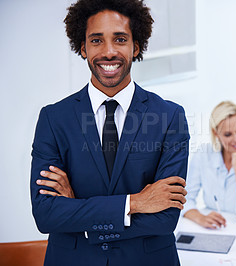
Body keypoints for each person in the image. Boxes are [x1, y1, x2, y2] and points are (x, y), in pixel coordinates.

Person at [30, 1, 189, 265]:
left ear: (135, 46)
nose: (109, 52)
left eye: (120, 39)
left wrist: (76, 210)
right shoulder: (53, 118)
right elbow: (46, 214)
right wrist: (135, 202)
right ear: (83, 48)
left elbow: (165, 218)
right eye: (96, 40)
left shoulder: (170, 117)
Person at [183, 101, 236, 229]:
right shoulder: (203, 154)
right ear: (216, 134)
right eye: (228, 134)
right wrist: (200, 217)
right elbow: (184, 199)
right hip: (212, 228)